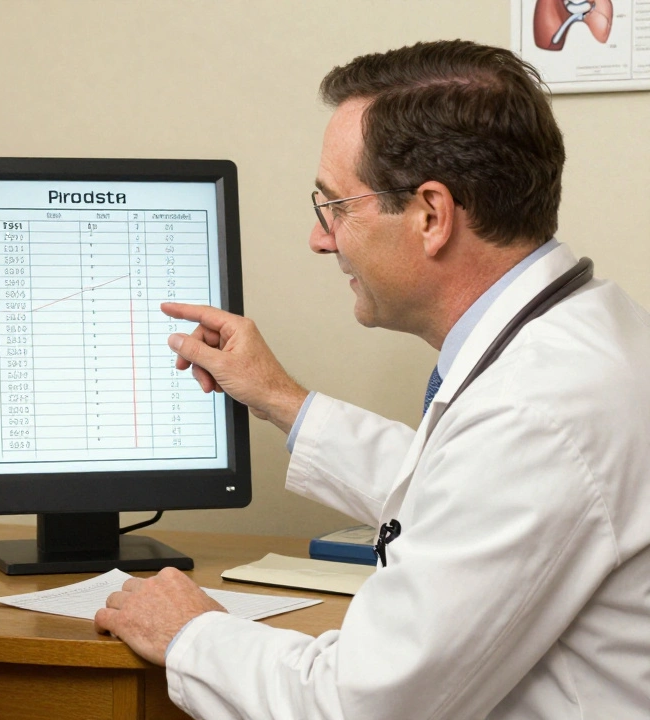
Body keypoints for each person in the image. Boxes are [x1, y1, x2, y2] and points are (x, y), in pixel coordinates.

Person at [95, 40, 650, 720]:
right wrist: (279, 399)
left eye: (336, 206)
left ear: (431, 216)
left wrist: (190, 634)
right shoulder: (586, 332)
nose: (320, 238)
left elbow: (358, 706)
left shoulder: (538, 410)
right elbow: (461, 492)